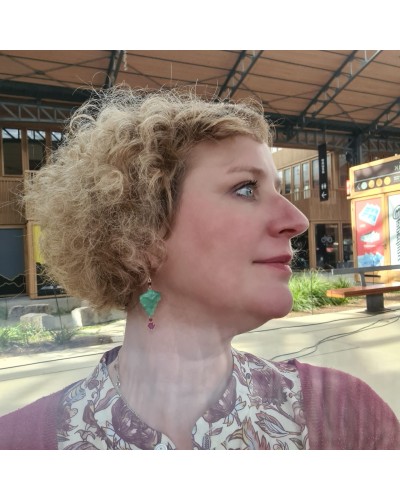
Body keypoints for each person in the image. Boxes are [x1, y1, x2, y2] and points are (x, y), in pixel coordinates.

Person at [0, 86, 399, 450]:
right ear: (141, 228)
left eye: (279, 189)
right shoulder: (20, 446)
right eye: (246, 188)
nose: (297, 220)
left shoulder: (349, 418)